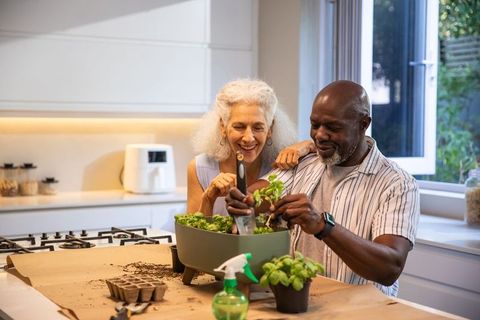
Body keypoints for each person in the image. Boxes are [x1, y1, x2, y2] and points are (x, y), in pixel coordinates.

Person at [226, 80, 420, 297]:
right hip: (299, 305)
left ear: (363, 124)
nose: (319, 135)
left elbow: (389, 268)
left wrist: (323, 226)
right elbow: (260, 192)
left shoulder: (397, 185)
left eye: (332, 127)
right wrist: (246, 201)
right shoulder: (303, 163)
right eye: (315, 125)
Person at [187, 78, 314, 216]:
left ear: (270, 128)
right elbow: (192, 234)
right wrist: (208, 199)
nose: (248, 138)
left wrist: (307, 144)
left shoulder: (281, 166)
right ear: (223, 126)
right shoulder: (199, 168)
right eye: (239, 127)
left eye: (258, 127)